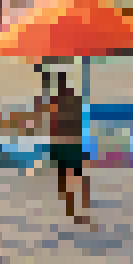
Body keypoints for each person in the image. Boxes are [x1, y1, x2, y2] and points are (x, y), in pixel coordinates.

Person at [49, 74, 91, 222]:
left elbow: (53, 125)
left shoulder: (55, 103)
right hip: (72, 142)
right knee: (79, 176)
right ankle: (81, 207)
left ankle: (71, 207)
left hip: (62, 143)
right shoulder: (74, 100)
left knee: (65, 177)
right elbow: (79, 122)